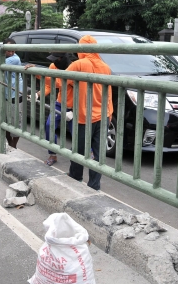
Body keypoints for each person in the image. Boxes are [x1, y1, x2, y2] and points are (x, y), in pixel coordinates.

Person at [65, 35, 113, 190]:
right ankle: (94, 185)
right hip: (104, 114)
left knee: (79, 150)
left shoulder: (78, 64)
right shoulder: (105, 67)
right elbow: (109, 92)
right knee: (99, 154)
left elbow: (60, 81)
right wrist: (110, 111)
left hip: (84, 116)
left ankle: (75, 179)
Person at [26, 53, 74, 165]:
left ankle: (88, 152)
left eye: (56, 60)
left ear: (62, 58)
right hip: (60, 103)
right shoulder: (53, 66)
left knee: (77, 131)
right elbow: (50, 84)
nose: (54, 63)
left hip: (77, 105)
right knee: (49, 125)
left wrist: (39, 73)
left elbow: (59, 83)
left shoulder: (74, 67)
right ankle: (52, 154)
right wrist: (38, 94)